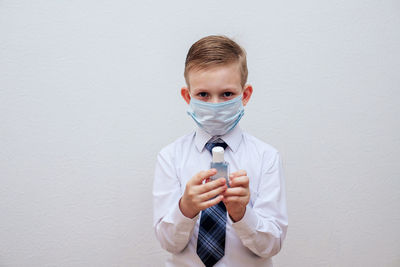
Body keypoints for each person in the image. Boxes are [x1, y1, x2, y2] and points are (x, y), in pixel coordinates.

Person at [153, 35, 288, 267]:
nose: (215, 105)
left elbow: (272, 245)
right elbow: (168, 244)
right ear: (188, 96)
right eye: (203, 94)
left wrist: (242, 213)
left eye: (227, 94)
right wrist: (186, 208)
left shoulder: (266, 158)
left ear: (244, 95)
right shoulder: (170, 157)